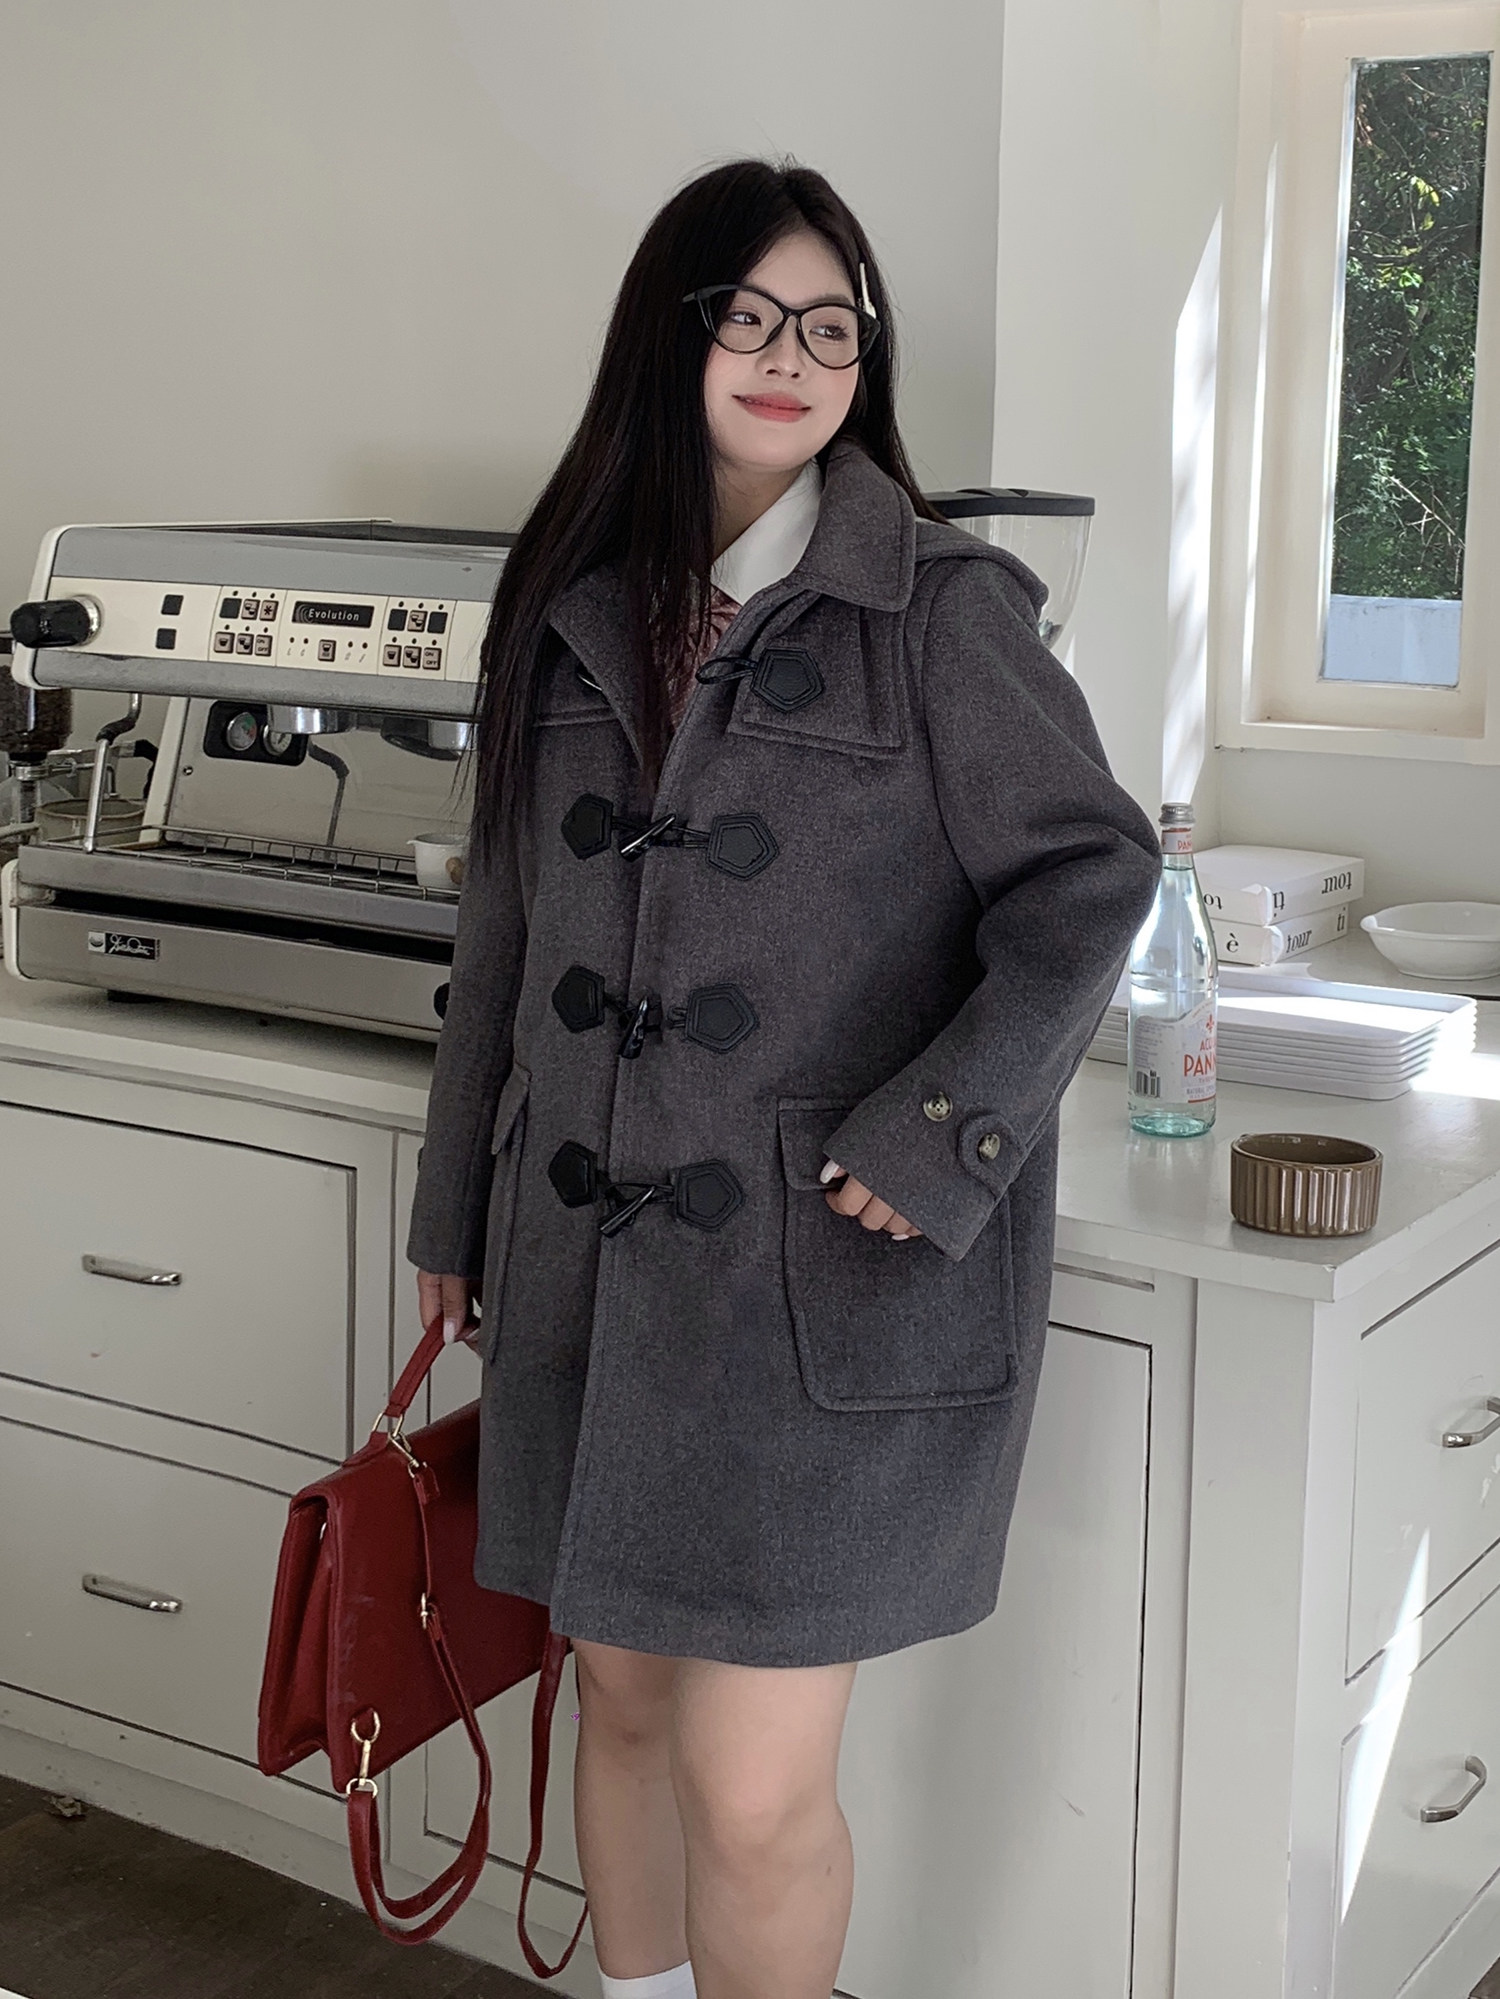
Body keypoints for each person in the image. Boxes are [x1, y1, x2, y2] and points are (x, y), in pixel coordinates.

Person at [408, 158, 1160, 1999]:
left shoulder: (942, 611)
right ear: (666, 339)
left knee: (752, 1791)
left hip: (813, 1286)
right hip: (584, 1269)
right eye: (748, 315)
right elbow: (500, 930)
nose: (792, 357)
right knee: (619, 1703)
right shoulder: (570, 602)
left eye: (831, 328)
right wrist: (453, 1216)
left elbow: (1090, 876)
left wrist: (945, 1131)